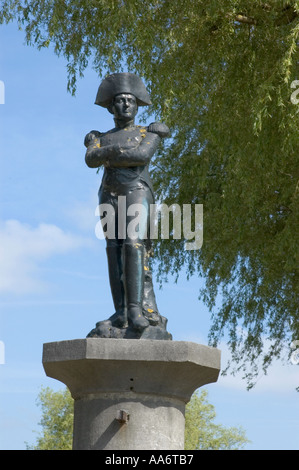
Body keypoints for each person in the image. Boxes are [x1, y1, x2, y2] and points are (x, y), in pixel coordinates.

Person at [84, 73, 169, 334]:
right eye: (120, 101)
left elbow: (141, 155)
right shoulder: (98, 135)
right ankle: (120, 311)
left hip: (137, 191)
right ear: (111, 106)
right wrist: (118, 154)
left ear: (137, 104)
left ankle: (136, 309)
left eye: (130, 101)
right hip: (108, 193)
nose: (125, 105)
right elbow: (90, 159)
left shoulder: (149, 131)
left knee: (134, 244)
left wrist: (107, 154)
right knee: (113, 248)